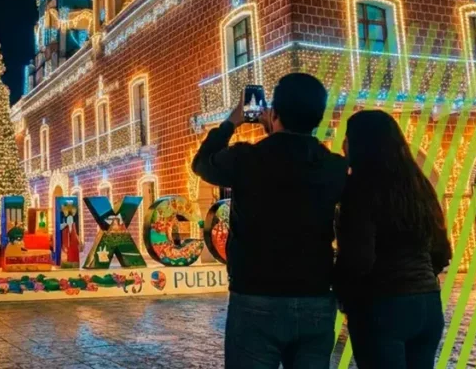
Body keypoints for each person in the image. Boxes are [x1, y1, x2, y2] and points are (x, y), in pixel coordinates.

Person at [192, 73, 347, 369]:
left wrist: (233, 120)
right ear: (318, 116)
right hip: (314, 297)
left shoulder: (247, 159)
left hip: (256, 297)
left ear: (274, 113)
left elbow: (202, 163)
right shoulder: (333, 166)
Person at [334, 110, 451, 369]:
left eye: (348, 138)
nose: (343, 145)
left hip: (381, 303)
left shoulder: (360, 188)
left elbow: (359, 258)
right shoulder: (419, 185)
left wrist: (342, 290)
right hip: (427, 303)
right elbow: (441, 250)